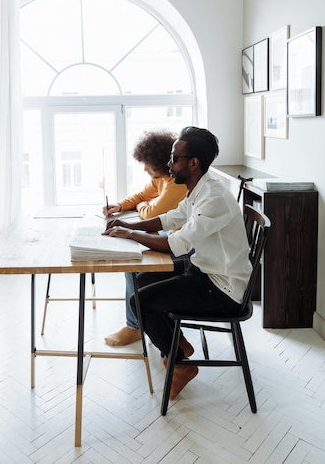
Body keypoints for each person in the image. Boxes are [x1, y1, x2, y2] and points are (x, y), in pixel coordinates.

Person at [103, 126, 251, 399]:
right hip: (204, 271)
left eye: (175, 158)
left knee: (139, 301)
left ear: (193, 163)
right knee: (141, 280)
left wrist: (130, 234)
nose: (169, 164)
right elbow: (171, 219)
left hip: (223, 288)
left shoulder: (214, 198)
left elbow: (177, 243)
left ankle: (180, 362)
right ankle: (178, 347)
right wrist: (128, 223)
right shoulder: (199, 188)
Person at [102, 129, 187, 346]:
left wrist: (142, 207)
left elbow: (151, 213)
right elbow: (143, 197)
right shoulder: (161, 179)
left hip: (187, 247)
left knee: (134, 266)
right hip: (174, 235)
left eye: (147, 164)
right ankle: (141, 324)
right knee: (133, 260)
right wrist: (121, 206)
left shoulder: (175, 183)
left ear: (160, 162)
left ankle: (135, 327)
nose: (144, 168)